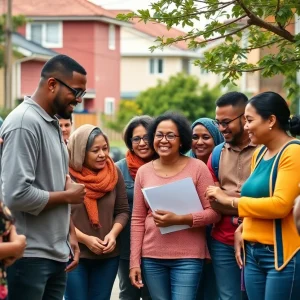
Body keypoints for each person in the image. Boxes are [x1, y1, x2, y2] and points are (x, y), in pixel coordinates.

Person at [0, 54, 87, 300]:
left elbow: (55, 184)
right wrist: (68, 196)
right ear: (52, 85)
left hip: (54, 254)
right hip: (28, 257)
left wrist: (70, 236)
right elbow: (15, 195)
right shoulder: (24, 123)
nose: (79, 100)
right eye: (76, 92)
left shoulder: (50, 123)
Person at [207, 91, 300, 299]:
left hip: (282, 255)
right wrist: (244, 226)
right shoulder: (259, 153)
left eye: (249, 120)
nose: (246, 126)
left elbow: (280, 205)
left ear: (271, 121)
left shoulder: (293, 152)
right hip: (253, 254)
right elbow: (258, 200)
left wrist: (230, 200)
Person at [130, 111, 220, 300]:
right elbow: (137, 219)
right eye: (159, 135)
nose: (164, 140)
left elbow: (214, 213)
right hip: (152, 256)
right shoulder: (143, 172)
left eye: (170, 135)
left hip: (188, 256)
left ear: (182, 140)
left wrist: (181, 219)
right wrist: (134, 262)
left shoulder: (197, 168)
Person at [65, 124, 130, 300]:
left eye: (105, 148)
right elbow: (60, 216)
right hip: (74, 254)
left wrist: (113, 235)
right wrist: (85, 239)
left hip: (107, 256)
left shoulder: (113, 172)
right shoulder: (66, 175)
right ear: (80, 152)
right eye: (95, 150)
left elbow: (123, 211)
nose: (102, 154)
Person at [207, 92, 255, 300]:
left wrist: (225, 198)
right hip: (222, 243)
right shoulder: (217, 154)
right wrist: (247, 203)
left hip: (258, 240)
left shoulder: (265, 151)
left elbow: (272, 202)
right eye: (218, 122)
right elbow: (212, 202)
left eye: (226, 122)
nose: (221, 128)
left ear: (245, 118)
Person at [117, 116, 154, 300]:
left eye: (146, 137)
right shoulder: (118, 170)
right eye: (136, 139)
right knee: (128, 293)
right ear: (130, 143)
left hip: (157, 244)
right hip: (127, 244)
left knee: (152, 294)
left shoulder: (166, 165)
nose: (142, 143)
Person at [189, 118, 224, 300]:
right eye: (195, 137)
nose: (199, 142)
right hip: (189, 239)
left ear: (216, 138)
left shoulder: (223, 163)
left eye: (206, 137)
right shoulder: (183, 163)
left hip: (219, 236)